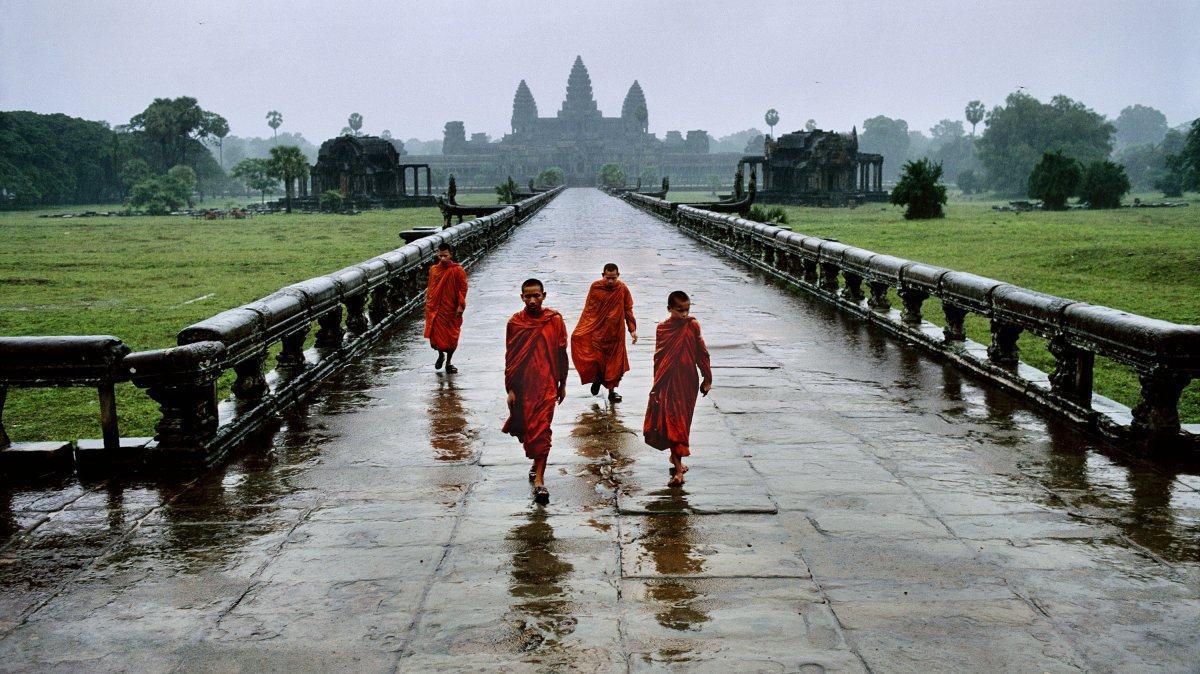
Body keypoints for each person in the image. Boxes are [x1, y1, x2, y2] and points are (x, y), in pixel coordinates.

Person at [503, 278, 569, 504]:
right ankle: (536, 464)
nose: (532, 300)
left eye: (536, 296)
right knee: (530, 430)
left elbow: (561, 353)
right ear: (521, 297)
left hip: (547, 385)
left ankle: (540, 480)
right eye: (528, 296)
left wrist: (563, 382)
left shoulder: (555, 320)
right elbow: (511, 358)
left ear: (544, 295)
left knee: (542, 429)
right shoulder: (515, 323)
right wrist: (510, 388)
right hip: (524, 386)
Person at [643, 290, 713, 486]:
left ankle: (676, 460)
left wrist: (707, 378)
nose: (684, 314)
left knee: (681, 422)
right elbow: (660, 358)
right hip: (667, 382)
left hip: (687, 382)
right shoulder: (662, 329)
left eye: (687, 310)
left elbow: (702, 353)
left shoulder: (693, 326)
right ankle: (678, 471)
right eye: (680, 310)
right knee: (672, 422)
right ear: (669, 309)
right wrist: (656, 386)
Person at [570, 263, 637, 402]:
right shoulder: (596, 287)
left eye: (613, 278)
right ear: (602, 275)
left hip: (616, 334)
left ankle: (612, 392)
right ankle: (598, 379)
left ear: (618, 275)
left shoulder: (622, 289)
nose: (611, 281)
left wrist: (632, 330)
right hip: (598, 333)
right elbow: (589, 311)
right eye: (608, 278)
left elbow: (628, 309)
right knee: (598, 361)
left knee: (615, 365)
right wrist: (583, 328)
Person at [424, 242, 468, 373]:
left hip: (451, 308)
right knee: (436, 337)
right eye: (440, 256)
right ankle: (440, 355)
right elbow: (431, 290)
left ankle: (449, 361)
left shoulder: (457, 270)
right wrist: (429, 306)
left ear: (451, 255)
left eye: (445, 256)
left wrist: (461, 305)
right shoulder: (434, 270)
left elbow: (463, 288)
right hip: (436, 309)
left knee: (452, 337)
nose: (442, 259)